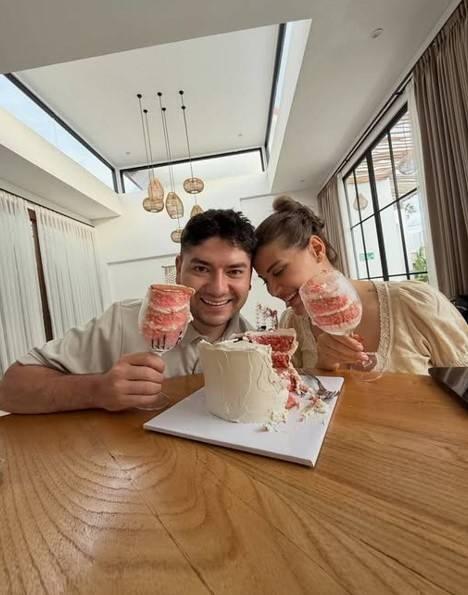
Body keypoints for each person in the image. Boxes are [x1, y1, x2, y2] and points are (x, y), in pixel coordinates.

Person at [0, 209, 255, 413]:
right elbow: (10, 389)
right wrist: (96, 390)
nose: (218, 288)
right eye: (201, 269)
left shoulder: (253, 342)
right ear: (179, 269)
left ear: (250, 279)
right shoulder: (122, 321)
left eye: (234, 271)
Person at [254, 196, 468, 374]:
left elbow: (463, 385)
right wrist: (323, 367)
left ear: (316, 249)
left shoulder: (414, 304)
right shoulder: (292, 324)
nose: (273, 290)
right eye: (265, 281)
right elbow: (297, 403)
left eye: (279, 271)